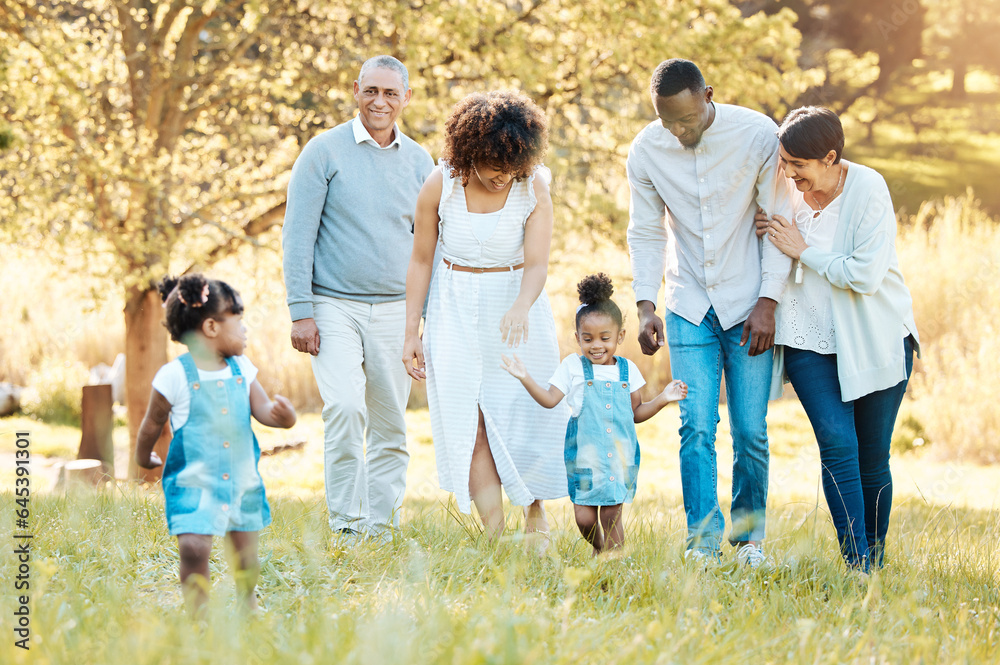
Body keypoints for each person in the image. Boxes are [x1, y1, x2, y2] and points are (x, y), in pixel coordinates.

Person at [626, 58, 796, 566]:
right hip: (688, 303)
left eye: (687, 120)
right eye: (668, 122)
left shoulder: (758, 135)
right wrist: (645, 304)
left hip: (748, 304)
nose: (679, 132)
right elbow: (646, 230)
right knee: (695, 426)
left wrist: (768, 301)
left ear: (708, 96)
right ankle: (702, 544)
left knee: (751, 430)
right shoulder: (646, 150)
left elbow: (779, 220)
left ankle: (749, 542)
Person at [756, 106, 919, 572]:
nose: (788, 173)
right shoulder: (785, 187)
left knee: (872, 457)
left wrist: (804, 252)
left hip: (876, 337)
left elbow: (865, 276)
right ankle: (857, 564)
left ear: (830, 157)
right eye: (784, 162)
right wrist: (764, 236)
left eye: (798, 165)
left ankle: (875, 558)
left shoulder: (868, 188)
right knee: (836, 444)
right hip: (808, 339)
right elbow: (771, 243)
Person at [402, 90, 568, 547]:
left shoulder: (532, 185)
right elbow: (420, 261)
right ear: (472, 154)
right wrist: (410, 330)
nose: (503, 179)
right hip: (452, 308)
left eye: (512, 170)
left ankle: (536, 516)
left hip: (515, 306)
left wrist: (521, 304)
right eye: (496, 168)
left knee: (523, 411)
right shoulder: (442, 184)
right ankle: (495, 539)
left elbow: (536, 263)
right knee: (467, 417)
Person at [282, 55, 434, 543]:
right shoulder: (323, 152)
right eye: (371, 90)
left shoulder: (420, 162)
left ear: (406, 98)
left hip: (396, 310)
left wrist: (423, 321)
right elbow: (297, 235)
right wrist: (300, 311)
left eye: (391, 93)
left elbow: (430, 247)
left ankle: (380, 525)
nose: (380, 101)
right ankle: (346, 523)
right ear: (355, 91)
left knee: (390, 422)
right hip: (333, 305)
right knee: (346, 408)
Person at [136, 274, 297, 615]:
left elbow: (264, 410)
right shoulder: (174, 375)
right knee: (193, 548)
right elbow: (152, 422)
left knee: (246, 555)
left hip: (241, 482)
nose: (245, 330)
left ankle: (247, 597)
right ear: (210, 327)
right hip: (193, 482)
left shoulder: (243, 369)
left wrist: (283, 417)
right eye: (238, 320)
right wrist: (142, 454)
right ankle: (199, 612)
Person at [501, 274, 687, 556]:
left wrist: (663, 399)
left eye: (605, 338)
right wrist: (525, 377)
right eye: (587, 339)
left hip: (618, 460)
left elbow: (636, 413)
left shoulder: (627, 371)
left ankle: (612, 566)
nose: (596, 345)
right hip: (584, 461)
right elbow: (550, 400)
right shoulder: (572, 368)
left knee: (611, 516)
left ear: (620, 336)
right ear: (577, 338)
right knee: (585, 519)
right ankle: (599, 548)